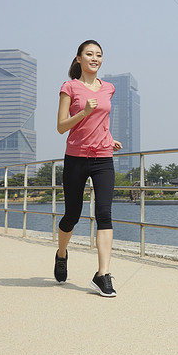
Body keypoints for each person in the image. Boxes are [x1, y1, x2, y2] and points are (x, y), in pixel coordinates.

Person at [54, 40, 122, 297]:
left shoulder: (109, 88)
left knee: (104, 213)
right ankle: (62, 254)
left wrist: (109, 137)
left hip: (103, 157)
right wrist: (83, 112)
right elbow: (61, 126)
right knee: (72, 214)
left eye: (99, 55)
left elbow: (102, 119)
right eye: (89, 54)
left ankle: (102, 275)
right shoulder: (69, 87)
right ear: (79, 59)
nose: (95, 58)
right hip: (76, 157)